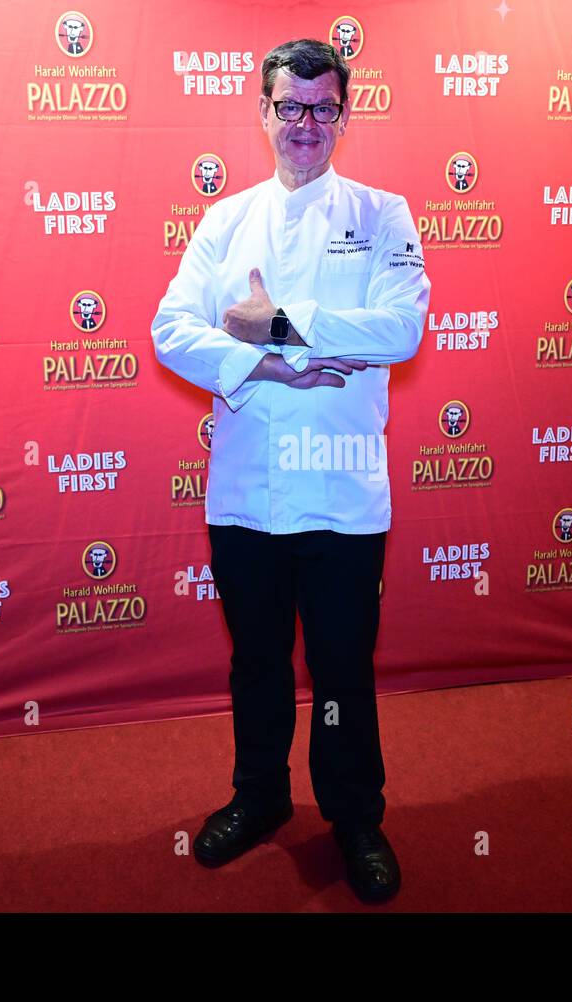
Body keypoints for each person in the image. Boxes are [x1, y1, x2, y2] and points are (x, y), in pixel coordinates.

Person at [151, 37, 429, 904]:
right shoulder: (226, 220)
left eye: (322, 107)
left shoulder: (385, 215)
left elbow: (400, 331)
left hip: (343, 490)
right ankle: (260, 796)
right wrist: (268, 364)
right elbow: (170, 329)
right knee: (259, 661)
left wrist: (272, 324)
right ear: (263, 112)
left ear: (343, 115)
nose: (305, 123)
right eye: (289, 106)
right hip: (246, 490)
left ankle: (354, 817)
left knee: (343, 667)